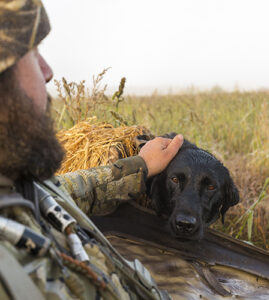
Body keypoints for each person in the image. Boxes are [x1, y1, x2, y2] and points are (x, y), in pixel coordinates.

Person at [0, 1, 183, 299]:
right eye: (32, 53)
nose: (48, 71)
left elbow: (66, 190)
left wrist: (141, 166)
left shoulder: (19, 183)